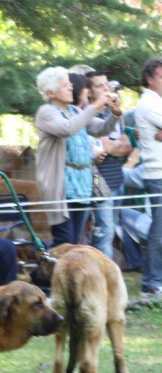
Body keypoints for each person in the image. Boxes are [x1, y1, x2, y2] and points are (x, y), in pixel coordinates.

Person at [35, 66, 121, 246]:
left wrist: (115, 113)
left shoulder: (75, 111)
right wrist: (95, 107)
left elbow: (101, 128)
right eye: (65, 85)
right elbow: (67, 129)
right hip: (61, 186)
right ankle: (51, 272)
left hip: (82, 184)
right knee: (64, 242)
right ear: (51, 93)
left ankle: (65, 273)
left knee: (75, 242)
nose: (70, 88)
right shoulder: (46, 112)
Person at [85, 70, 132, 259]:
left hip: (116, 176)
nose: (106, 89)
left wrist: (115, 147)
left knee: (111, 230)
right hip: (99, 181)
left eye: (106, 84)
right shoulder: (87, 115)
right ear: (88, 91)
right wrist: (114, 147)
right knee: (103, 232)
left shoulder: (113, 112)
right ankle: (102, 281)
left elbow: (126, 146)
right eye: (99, 86)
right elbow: (111, 146)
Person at [135, 57, 162, 297]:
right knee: (159, 230)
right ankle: (151, 283)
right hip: (158, 175)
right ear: (150, 79)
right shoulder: (149, 103)